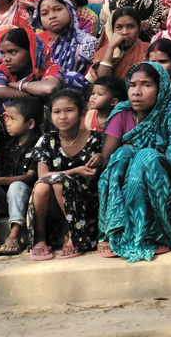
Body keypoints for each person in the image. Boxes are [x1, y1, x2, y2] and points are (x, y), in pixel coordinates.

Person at [97, 62, 171, 261]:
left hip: (162, 187)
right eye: (132, 85)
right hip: (124, 183)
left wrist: (141, 155)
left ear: (161, 87)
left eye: (146, 85)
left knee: (144, 157)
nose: (136, 92)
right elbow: (106, 160)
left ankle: (155, 232)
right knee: (120, 156)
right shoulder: (121, 111)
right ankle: (113, 229)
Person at [27, 90, 102, 260]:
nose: (63, 117)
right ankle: (39, 237)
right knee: (43, 185)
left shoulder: (95, 139)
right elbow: (43, 176)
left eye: (69, 110)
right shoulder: (47, 140)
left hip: (84, 203)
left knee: (60, 183)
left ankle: (74, 236)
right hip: (53, 203)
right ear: (51, 116)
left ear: (81, 113)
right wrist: (75, 171)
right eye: (57, 112)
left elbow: (94, 181)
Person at [0, 96, 41, 257]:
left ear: (30, 124)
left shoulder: (39, 144)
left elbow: (29, 177)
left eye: (13, 119)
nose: (7, 123)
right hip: (3, 197)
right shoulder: (8, 143)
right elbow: (0, 169)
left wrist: (1, 181)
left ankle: (14, 235)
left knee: (16, 186)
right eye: (6, 118)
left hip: (25, 199)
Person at [33, 0, 98, 91]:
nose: (52, 16)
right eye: (45, 13)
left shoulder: (86, 42)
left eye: (58, 9)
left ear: (70, 10)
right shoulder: (36, 43)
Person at [0, 27, 65, 108]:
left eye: (13, 52)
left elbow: (49, 88)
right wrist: (34, 97)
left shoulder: (49, 67)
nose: (6, 59)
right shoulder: (2, 69)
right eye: (3, 53)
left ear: (31, 51)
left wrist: (16, 85)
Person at [89, 7, 151, 81]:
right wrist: (111, 48)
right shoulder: (103, 51)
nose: (125, 32)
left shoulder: (147, 49)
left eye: (131, 26)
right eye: (119, 27)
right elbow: (103, 79)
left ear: (138, 28)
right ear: (112, 30)